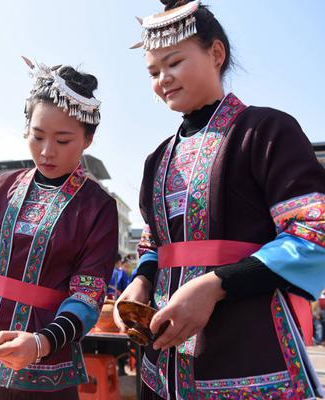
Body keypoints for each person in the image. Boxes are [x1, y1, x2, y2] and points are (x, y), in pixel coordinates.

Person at [114, 1, 325, 398]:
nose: (163, 79)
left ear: (216, 53)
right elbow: (153, 242)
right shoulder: (157, 158)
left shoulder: (266, 130)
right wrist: (142, 280)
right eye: (153, 71)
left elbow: (314, 233)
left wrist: (216, 284)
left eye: (174, 62)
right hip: (161, 366)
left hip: (249, 353)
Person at [0, 60, 118, 399]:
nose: (46, 151)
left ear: (88, 139)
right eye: (37, 136)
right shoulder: (3, 187)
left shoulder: (97, 207)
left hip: (47, 356)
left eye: (63, 140)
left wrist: (42, 342)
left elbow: (87, 297)